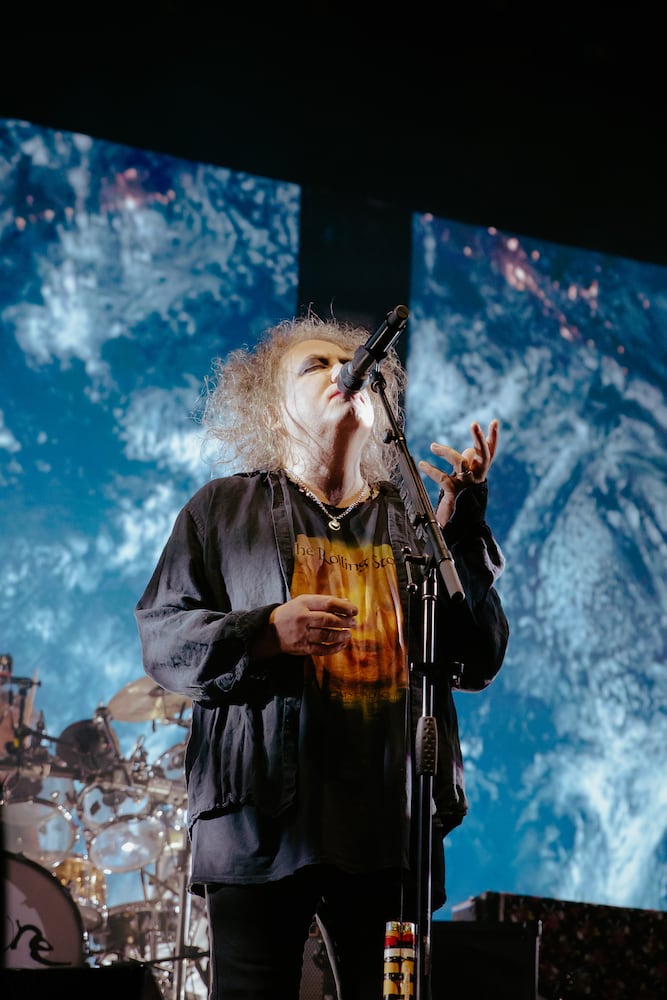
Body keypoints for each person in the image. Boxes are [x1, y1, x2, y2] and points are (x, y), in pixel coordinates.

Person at [134, 312, 509, 1000]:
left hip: (389, 825)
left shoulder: (412, 522)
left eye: (355, 363)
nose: (346, 370)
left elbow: (477, 659)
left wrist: (465, 528)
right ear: (272, 412)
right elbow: (165, 639)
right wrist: (266, 631)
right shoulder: (222, 509)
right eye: (315, 366)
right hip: (258, 820)